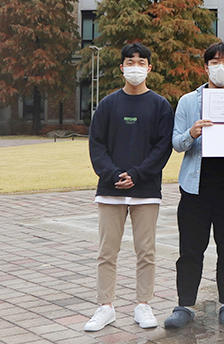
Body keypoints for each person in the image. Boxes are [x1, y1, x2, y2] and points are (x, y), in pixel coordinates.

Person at [164, 42, 224, 329]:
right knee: (190, 248)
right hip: (195, 188)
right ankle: (185, 305)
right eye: (215, 62)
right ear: (205, 67)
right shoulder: (187, 102)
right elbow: (176, 142)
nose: (221, 68)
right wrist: (191, 133)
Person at [85, 42, 174, 332]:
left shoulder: (160, 105)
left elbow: (162, 148)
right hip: (110, 190)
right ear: (121, 67)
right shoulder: (108, 104)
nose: (135, 67)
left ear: (149, 67)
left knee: (145, 251)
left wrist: (137, 174)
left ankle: (143, 304)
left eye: (141, 62)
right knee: (106, 251)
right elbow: (96, 145)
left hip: (145, 190)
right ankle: (105, 306)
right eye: (129, 62)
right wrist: (113, 175)